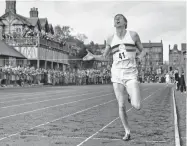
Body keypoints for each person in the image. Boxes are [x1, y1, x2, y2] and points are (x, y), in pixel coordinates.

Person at [83, 14, 145, 141]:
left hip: (131, 74)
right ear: (114, 23)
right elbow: (105, 56)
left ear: (125, 22)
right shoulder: (110, 38)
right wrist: (94, 56)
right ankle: (127, 131)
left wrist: (141, 56)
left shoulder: (133, 35)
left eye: (120, 18)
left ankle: (130, 95)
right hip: (117, 74)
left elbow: (143, 50)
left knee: (137, 105)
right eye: (115, 18)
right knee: (121, 105)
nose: (117, 19)